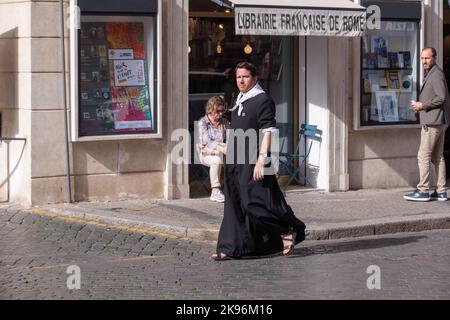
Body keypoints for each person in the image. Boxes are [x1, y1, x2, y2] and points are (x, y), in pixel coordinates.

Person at [212, 62, 306, 260]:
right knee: (233, 204)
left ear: (255, 78)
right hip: (235, 159)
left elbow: (268, 131)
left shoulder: (263, 99)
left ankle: (286, 230)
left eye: (245, 77)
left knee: (252, 203)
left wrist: (262, 160)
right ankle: (230, 247)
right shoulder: (239, 99)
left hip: (253, 160)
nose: (241, 80)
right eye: (238, 77)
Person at [404, 47, 450, 202]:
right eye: (422, 58)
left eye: (427, 58)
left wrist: (421, 105)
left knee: (423, 155)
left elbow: (441, 97)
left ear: (434, 58)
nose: (424, 61)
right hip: (438, 121)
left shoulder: (435, 74)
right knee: (438, 157)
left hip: (433, 122)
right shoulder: (433, 73)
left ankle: (423, 189)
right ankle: (442, 191)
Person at [197, 96, 230, 203]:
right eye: (218, 111)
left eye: (222, 110)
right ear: (210, 110)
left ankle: (237, 188)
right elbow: (207, 142)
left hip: (223, 153)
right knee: (216, 159)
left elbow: (230, 139)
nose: (221, 114)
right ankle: (215, 191)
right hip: (206, 154)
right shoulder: (203, 122)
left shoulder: (224, 122)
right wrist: (220, 148)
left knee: (236, 156)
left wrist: (226, 147)